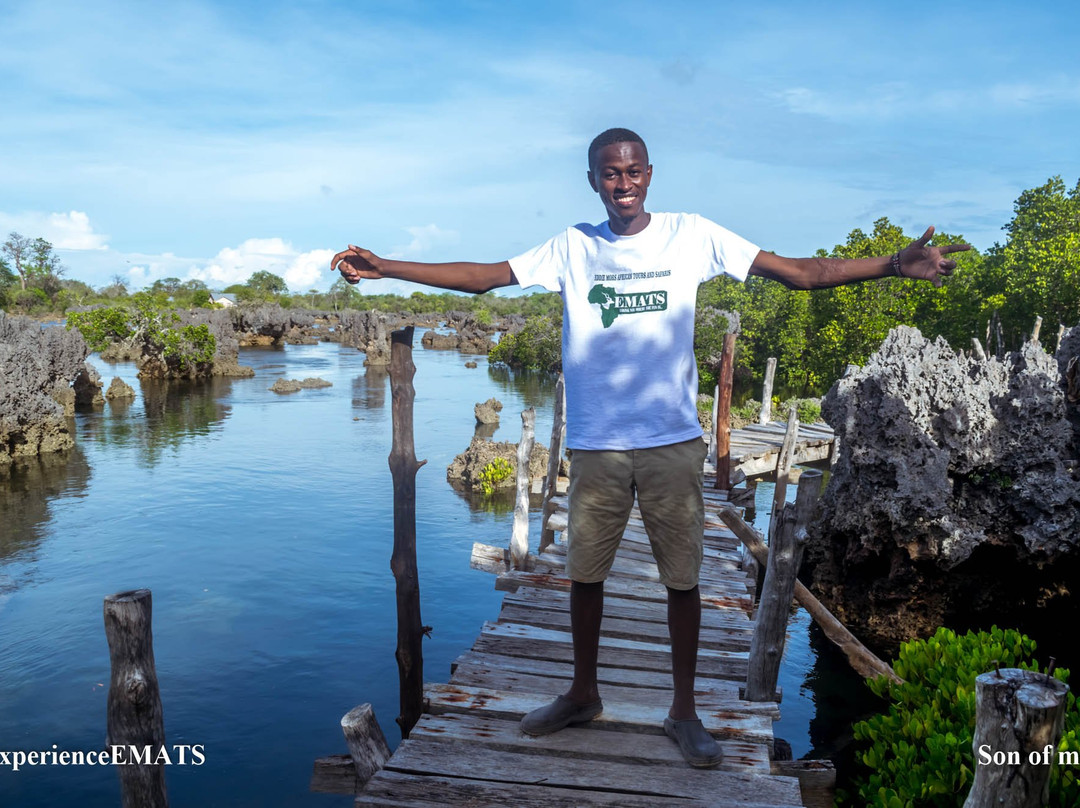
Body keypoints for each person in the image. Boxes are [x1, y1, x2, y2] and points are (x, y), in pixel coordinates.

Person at [331, 127, 968, 768]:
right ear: (593, 181)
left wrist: (892, 264)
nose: (623, 183)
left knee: (682, 580)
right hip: (596, 446)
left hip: (672, 443)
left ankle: (684, 711)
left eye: (633, 171)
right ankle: (582, 693)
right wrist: (386, 266)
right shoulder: (572, 246)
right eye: (610, 173)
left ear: (650, 174)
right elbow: (483, 279)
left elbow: (801, 274)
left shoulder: (692, 235)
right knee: (585, 575)